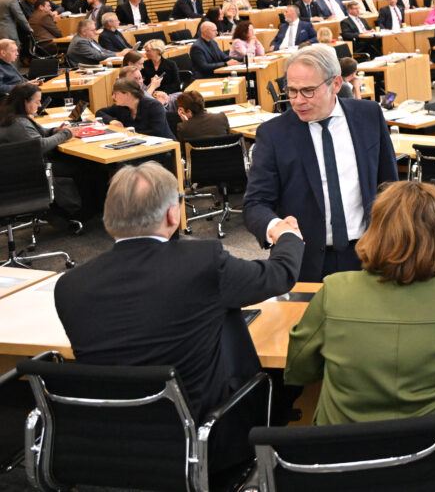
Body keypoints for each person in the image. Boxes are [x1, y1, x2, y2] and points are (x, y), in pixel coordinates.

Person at [54, 162, 303, 448]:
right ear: (173, 214)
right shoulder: (201, 263)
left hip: (115, 443)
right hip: (207, 439)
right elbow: (278, 275)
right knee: (286, 377)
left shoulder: (69, 286)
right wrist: (287, 235)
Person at [284, 180, 435, 442]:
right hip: (432, 451)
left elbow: (299, 368)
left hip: (343, 454)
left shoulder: (334, 290)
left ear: (376, 229)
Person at [243, 45, 394, 281]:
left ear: (335, 84)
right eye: (292, 91)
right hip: (306, 262)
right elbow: (255, 203)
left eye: (308, 91)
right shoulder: (273, 134)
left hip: (370, 255)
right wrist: (275, 227)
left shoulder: (369, 115)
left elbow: (389, 186)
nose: (297, 101)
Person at [0, 82, 83, 221]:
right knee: (81, 165)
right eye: (37, 102)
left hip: (15, 167)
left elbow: (39, 132)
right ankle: (78, 211)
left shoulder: (12, 116)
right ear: (24, 102)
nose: (39, 106)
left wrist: (55, 131)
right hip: (29, 170)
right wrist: (66, 134)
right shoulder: (19, 123)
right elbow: (40, 145)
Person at [96, 76, 175, 139]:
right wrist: (112, 121)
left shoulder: (154, 106)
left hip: (163, 148)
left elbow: (156, 132)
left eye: (116, 94)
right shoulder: (121, 107)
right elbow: (99, 112)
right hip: (137, 145)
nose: (113, 97)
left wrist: (126, 132)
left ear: (127, 94)